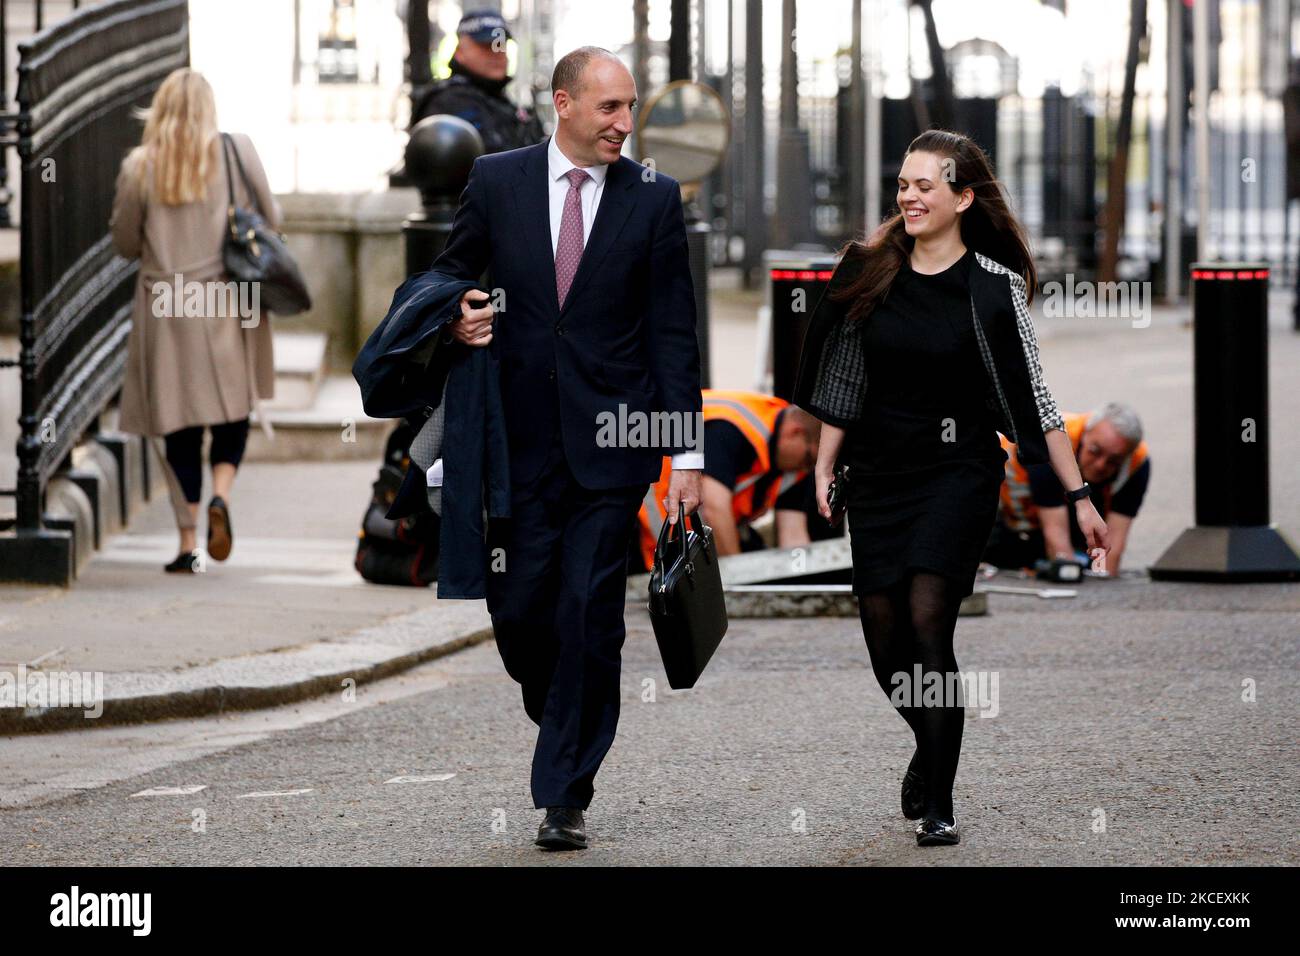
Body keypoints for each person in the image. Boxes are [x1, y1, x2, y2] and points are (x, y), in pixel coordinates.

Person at [793, 129, 1110, 847]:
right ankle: (928, 740)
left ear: (963, 197)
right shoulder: (867, 269)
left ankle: (939, 799)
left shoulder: (992, 289)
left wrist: (1080, 496)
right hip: (877, 474)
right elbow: (845, 380)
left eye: (924, 186)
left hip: (958, 473)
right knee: (884, 641)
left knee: (929, 621)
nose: (908, 196)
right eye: (902, 184)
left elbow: (1037, 401)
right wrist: (823, 463)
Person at [429, 46, 702, 850]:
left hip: (614, 446)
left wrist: (685, 454)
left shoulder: (653, 200)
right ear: (563, 105)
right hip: (515, 443)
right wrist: (457, 318)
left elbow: (674, 335)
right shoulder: (497, 180)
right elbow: (447, 275)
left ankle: (565, 791)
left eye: (630, 107)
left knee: (589, 611)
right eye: (610, 107)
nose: (625, 123)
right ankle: (565, 713)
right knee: (520, 611)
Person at [110, 68, 278, 574]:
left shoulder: (140, 166)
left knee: (176, 423)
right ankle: (220, 497)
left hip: (168, 305)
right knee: (232, 409)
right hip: (229, 298)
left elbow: (123, 241)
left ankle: (188, 542)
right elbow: (271, 217)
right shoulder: (235, 150)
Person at [633, 390, 819, 571]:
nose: (807, 469)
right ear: (795, 433)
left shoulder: (795, 465)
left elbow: (794, 537)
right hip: (636, 524)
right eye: (809, 459)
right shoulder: (734, 430)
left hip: (680, 545)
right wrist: (738, 581)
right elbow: (715, 507)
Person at [986, 403, 1149, 574]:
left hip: (1063, 504)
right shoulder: (1051, 442)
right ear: (1085, 433)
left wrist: (1102, 581)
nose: (1101, 465)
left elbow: (1113, 541)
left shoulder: (1137, 462)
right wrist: (1067, 573)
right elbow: (1056, 536)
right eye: (1095, 451)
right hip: (1004, 514)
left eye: (1113, 461)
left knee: (1091, 539)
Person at [409, 9, 544, 154]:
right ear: (460, 52)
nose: (497, 54)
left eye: (501, 45)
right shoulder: (448, 102)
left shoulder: (502, 101)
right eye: (486, 46)